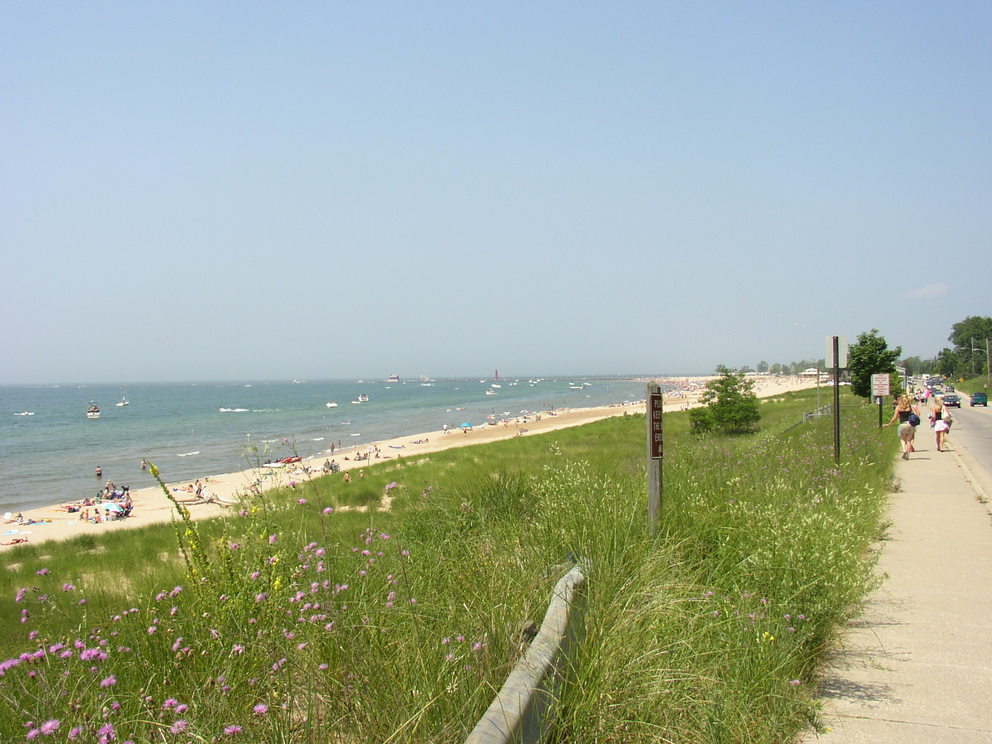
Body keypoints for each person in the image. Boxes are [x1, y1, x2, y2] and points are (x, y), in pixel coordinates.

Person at [884, 394, 920, 459]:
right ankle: (908, 454)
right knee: (909, 440)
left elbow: (894, 418)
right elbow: (915, 415)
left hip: (903, 424)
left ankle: (904, 450)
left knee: (903, 439)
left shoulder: (898, 407)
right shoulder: (910, 407)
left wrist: (888, 424)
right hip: (911, 424)